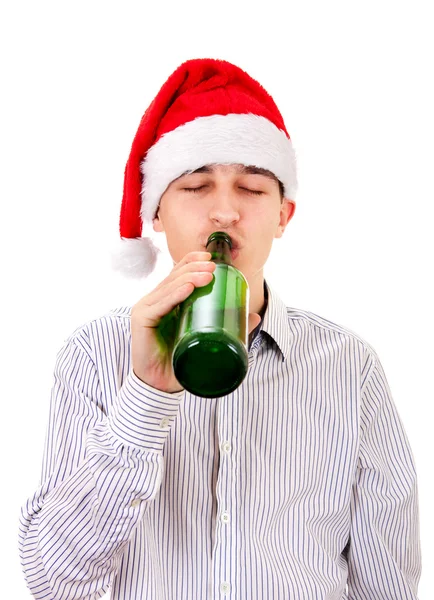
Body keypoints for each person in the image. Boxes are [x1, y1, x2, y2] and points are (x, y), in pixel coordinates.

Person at [19, 58, 421, 600]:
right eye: (196, 186)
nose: (225, 212)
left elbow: (387, 583)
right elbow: (52, 581)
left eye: (252, 189)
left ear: (284, 215)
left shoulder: (348, 364)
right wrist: (146, 394)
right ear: (157, 212)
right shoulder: (96, 354)